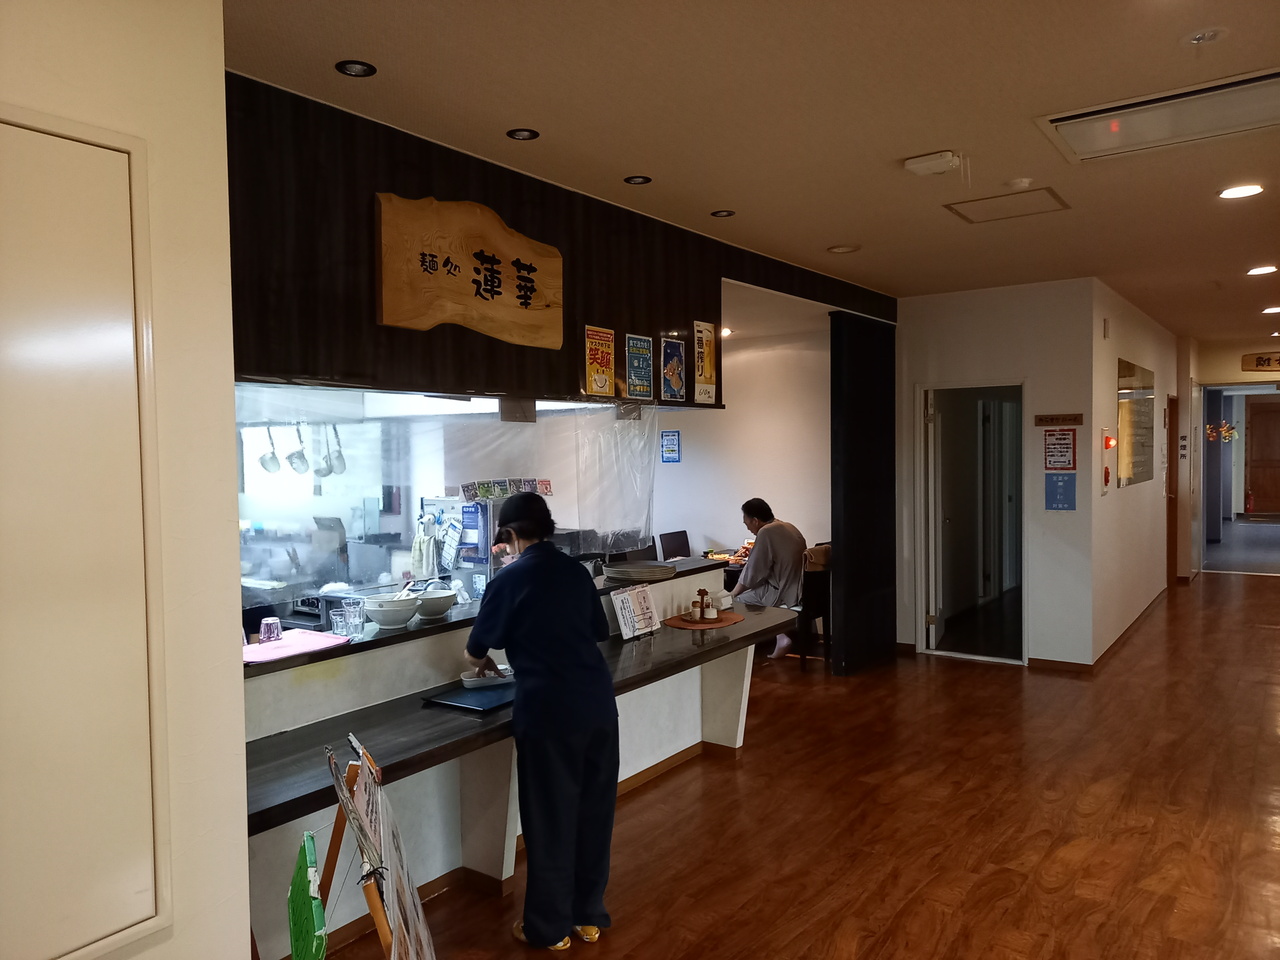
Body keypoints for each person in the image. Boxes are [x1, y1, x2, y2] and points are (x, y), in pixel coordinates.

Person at [463, 492, 619, 951]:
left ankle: (549, 929)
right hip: (597, 705)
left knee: (550, 818)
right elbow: (598, 631)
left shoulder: (509, 579)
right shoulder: (576, 572)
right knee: (594, 813)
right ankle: (587, 916)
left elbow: (475, 650)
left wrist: (485, 661)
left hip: (549, 713)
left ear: (510, 534)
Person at [730, 497, 806, 658]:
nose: (748, 528)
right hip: (799, 588)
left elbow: (753, 572)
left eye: (747, 523)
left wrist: (733, 593)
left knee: (738, 602)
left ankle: (775, 638)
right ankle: (777, 635)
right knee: (751, 594)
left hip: (782, 591)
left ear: (755, 520)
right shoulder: (788, 526)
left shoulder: (766, 532)